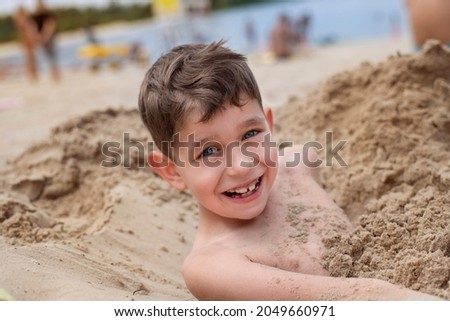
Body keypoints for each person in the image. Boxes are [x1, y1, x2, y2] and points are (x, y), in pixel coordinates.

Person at [138, 41, 442, 300]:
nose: (242, 165)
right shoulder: (211, 265)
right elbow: (352, 298)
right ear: (171, 171)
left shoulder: (296, 166)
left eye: (250, 134)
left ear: (269, 124)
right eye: (208, 152)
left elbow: (305, 155)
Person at [31, 0, 60, 81]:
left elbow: (50, 26)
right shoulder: (35, 17)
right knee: (48, 56)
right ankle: (52, 74)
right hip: (41, 38)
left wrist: (45, 37)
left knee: (53, 56)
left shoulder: (48, 15)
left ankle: (55, 74)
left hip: (49, 38)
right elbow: (34, 27)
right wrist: (38, 37)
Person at [14, 5, 38, 82]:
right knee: (30, 58)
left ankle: (33, 74)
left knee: (31, 58)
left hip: (29, 39)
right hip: (27, 40)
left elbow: (32, 29)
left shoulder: (24, 20)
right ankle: (33, 74)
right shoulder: (23, 20)